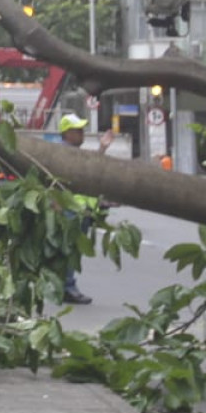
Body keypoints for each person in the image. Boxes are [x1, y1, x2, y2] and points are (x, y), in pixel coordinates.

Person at [56, 112, 114, 304]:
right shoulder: (64, 153)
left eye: (81, 129)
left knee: (71, 251)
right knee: (70, 251)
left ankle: (63, 286)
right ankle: (67, 288)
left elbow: (90, 172)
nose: (81, 133)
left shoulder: (74, 152)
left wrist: (102, 148)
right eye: (77, 130)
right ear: (66, 133)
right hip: (69, 212)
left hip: (80, 212)